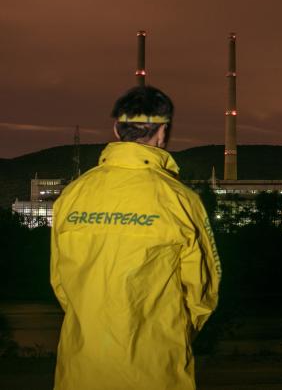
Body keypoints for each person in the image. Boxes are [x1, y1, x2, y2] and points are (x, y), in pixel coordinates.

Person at [50, 86, 221, 390]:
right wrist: (172, 334)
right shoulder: (181, 200)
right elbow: (203, 290)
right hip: (156, 369)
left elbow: (60, 282)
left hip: (82, 368)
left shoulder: (72, 195)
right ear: (162, 133)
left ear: (117, 129)